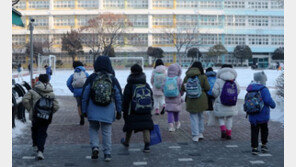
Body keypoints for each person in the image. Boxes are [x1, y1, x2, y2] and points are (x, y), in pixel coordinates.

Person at [81, 56, 122, 162]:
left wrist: (84, 110)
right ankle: (107, 153)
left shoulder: (92, 77)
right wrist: (119, 110)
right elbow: (118, 96)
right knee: (107, 131)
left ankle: (95, 147)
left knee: (93, 128)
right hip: (108, 109)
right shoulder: (112, 79)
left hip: (93, 109)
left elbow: (85, 95)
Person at [22, 74, 59, 160]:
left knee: (35, 129)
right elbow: (56, 106)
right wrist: (49, 112)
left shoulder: (33, 91)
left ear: (38, 80)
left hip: (35, 116)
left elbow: (24, 100)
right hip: (46, 117)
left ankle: (35, 144)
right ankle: (40, 151)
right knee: (42, 132)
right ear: (48, 81)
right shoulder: (51, 92)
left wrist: (31, 109)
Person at [121, 64, 154, 153]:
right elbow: (151, 96)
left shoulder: (129, 85)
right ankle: (147, 145)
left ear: (131, 72)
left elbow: (126, 99)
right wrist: (150, 108)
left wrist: (123, 109)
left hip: (132, 110)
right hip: (145, 110)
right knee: (146, 126)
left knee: (130, 125)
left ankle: (126, 142)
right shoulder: (145, 84)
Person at [245, 71, 276, 155]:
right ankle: (263, 145)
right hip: (263, 114)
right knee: (264, 130)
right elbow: (267, 100)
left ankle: (254, 147)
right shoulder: (263, 89)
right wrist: (273, 105)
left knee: (254, 131)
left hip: (252, 114)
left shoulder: (250, 88)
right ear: (263, 80)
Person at [181, 62, 210, 142]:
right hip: (201, 99)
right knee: (201, 116)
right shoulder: (203, 76)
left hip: (190, 99)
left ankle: (195, 135)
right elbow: (207, 87)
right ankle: (200, 133)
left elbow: (183, 88)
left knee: (193, 117)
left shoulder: (187, 77)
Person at [212, 64, 240, 140]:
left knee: (220, 117)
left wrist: (217, 97)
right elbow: (238, 90)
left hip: (221, 102)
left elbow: (214, 92)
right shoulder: (234, 80)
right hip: (231, 103)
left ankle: (223, 129)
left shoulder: (218, 80)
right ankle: (229, 133)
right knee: (229, 118)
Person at [66, 61, 89, 125]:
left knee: (79, 105)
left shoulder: (73, 75)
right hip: (85, 92)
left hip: (77, 92)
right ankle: (86, 113)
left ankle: (81, 118)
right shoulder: (86, 74)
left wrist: (73, 90)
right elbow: (90, 82)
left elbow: (68, 83)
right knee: (86, 103)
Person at [163, 63, 183, 132]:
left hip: (168, 97)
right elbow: (181, 88)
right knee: (176, 110)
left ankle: (171, 126)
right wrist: (181, 94)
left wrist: (166, 93)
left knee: (170, 111)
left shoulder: (166, 79)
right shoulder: (178, 79)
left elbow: (163, 88)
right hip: (176, 97)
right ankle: (177, 123)